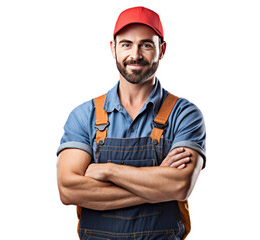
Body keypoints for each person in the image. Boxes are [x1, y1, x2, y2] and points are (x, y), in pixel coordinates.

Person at [56, 6, 206, 240]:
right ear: (113, 48)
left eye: (146, 45)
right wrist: (157, 184)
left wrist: (106, 170)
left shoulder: (184, 114)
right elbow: (68, 189)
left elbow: (179, 186)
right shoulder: (84, 116)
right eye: (126, 44)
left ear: (162, 50)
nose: (135, 54)